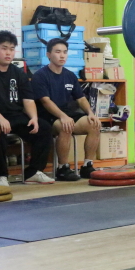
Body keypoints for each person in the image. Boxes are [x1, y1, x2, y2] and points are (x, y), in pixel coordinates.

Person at [0, 31, 55, 186]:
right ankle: (0, 174)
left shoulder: (18, 73)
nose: (8, 53)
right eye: (4, 48)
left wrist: (34, 117)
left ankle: (33, 172)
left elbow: (28, 99)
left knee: (44, 128)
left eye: (11, 49)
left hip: (16, 115)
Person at [31, 38, 101, 181]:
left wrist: (90, 113)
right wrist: (62, 117)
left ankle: (87, 166)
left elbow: (80, 98)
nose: (62, 55)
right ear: (48, 55)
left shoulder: (70, 75)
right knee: (66, 126)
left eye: (65, 52)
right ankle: (63, 168)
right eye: (58, 52)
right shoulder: (40, 76)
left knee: (94, 124)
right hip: (48, 116)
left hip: (67, 113)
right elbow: (45, 101)